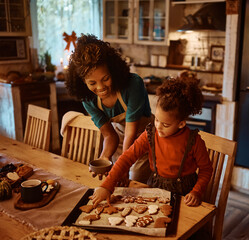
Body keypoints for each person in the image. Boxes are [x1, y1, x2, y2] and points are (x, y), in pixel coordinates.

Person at [91, 77, 213, 207]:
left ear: (181, 124)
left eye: (165, 124)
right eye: (157, 120)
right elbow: (126, 158)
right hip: (155, 187)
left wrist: (196, 192)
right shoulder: (150, 134)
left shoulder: (194, 141)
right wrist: (107, 186)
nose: (158, 127)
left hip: (185, 193)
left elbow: (206, 170)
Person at [65, 34, 153, 184]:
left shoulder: (133, 84)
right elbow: (109, 136)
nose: (100, 88)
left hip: (145, 136)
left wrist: (123, 165)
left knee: (136, 177)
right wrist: (104, 157)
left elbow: (131, 133)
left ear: (113, 71)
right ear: (82, 82)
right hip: (120, 137)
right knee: (117, 182)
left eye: (105, 79)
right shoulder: (88, 99)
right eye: (92, 83)